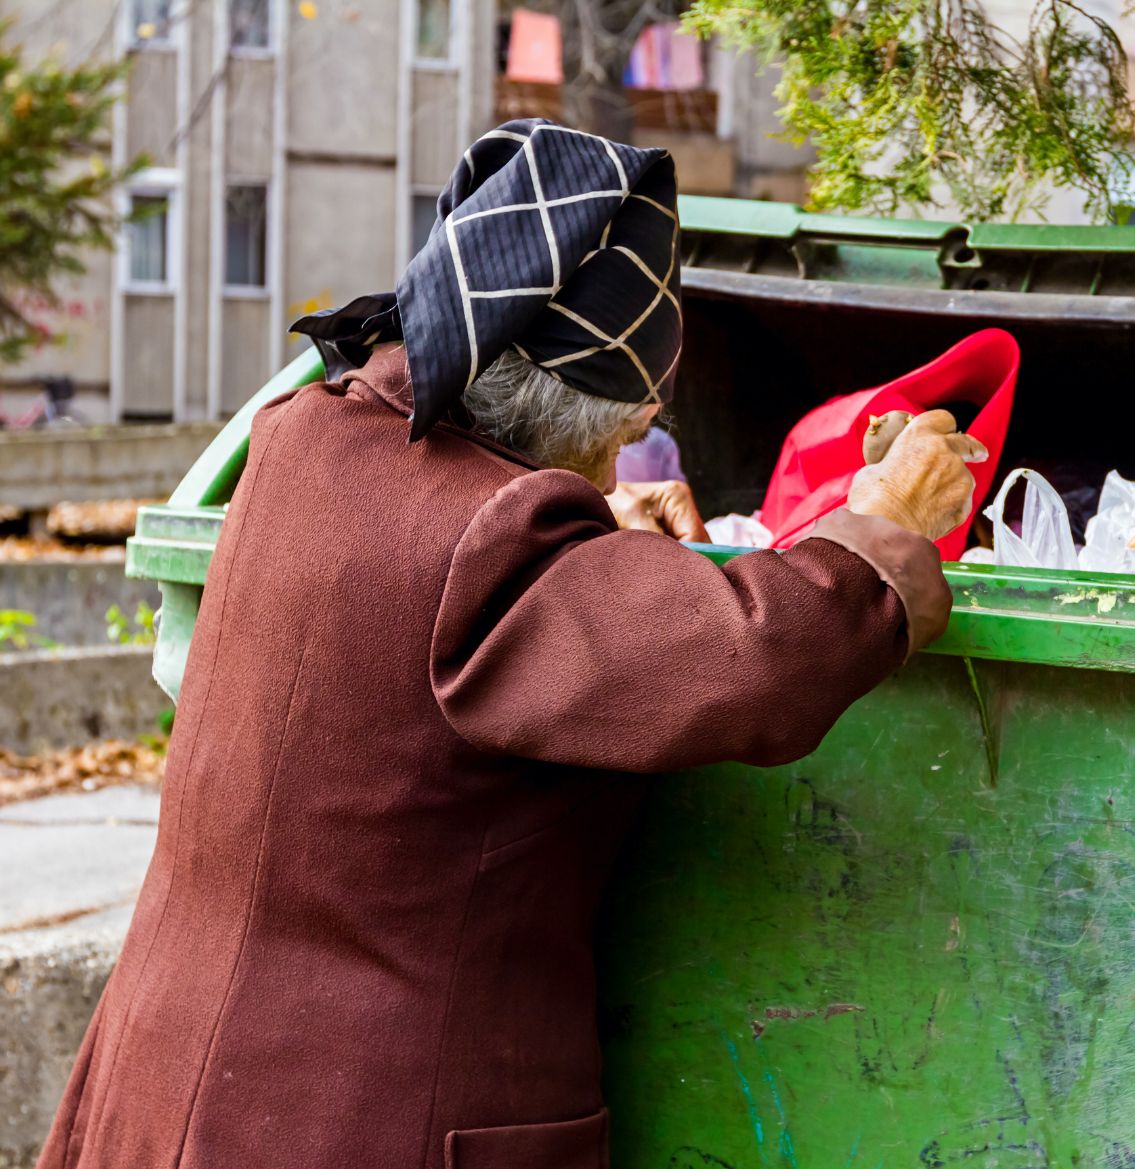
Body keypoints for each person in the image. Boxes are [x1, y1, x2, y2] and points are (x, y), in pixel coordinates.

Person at [35, 120, 984, 1169]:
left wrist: (595, 542)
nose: (629, 447)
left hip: (165, 1085)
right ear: (576, 405)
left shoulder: (303, 435)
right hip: (364, 1122)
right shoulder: (497, 549)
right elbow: (759, 658)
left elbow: (424, 604)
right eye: (627, 427)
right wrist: (885, 516)